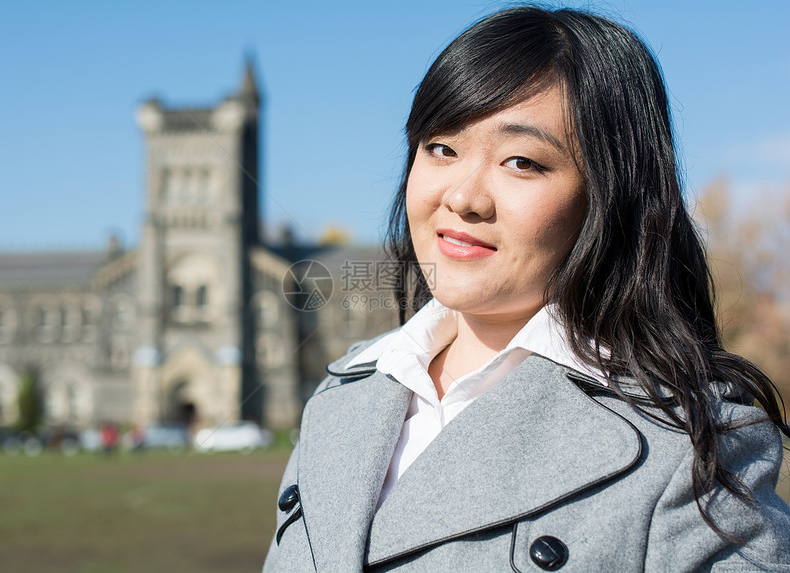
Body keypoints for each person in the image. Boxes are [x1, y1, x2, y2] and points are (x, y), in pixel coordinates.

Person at [264, 6, 790, 572]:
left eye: (521, 162)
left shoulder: (690, 448)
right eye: (442, 148)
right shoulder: (343, 398)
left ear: (608, 197)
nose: (464, 197)